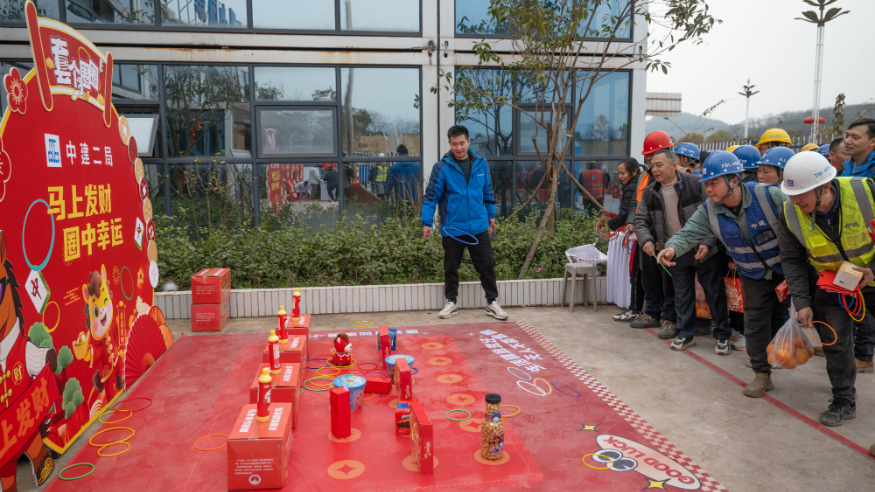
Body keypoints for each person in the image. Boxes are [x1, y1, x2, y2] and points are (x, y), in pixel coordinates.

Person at [658, 151, 791, 394]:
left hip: (787, 271)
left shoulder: (768, 196)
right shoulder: (709, 209)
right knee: (754, 324)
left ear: (734, 180)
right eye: (706, 184)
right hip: (753, 275)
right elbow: (689, 232)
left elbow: (800, 225)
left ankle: (840, 388)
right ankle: (762, 374)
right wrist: (671, 248)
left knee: (787, 316)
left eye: (714, 183)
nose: (708, 190)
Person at [776, 151, 875, 425]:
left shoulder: (865, 192)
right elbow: (792, 259)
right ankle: (844, 400)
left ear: (825, 187)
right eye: (792, 195)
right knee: (835, 344)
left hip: (872, 279)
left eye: (802, 195)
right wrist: (802, 302)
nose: (796, 201)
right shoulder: (789, 212)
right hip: (833, 285)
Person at [633, 148, 728, 349]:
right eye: (652, 165)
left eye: (659, 165)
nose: (654, 169)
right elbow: (639, 220)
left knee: (713, 293)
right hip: (675, 250)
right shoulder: (650, 192)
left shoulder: (696, 184)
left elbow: (714, 213)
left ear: (673, 165)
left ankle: (722, 336)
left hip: (703, 248)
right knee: (682, 294)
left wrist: (707, 241)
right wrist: (646, 240)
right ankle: (686, 334)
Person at [422, 125, 507, 321]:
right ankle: (451, 302)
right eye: (454, 144)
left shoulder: (481, 164)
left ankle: (492, 302)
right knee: (451, 267)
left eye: (462, 143)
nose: (458, 148)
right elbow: (431, 196)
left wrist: (491, 215)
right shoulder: (441, 168)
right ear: (449, 143)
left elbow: (487, 191)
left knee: (487, 266)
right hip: (453, 228)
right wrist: (427, 222)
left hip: (479, 226)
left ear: (468, 141)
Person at [629, 131, 675, 330]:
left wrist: (661, 237)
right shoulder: (645, 176)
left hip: (667, 239)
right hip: (646, 236)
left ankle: (669, 317)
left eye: (654, 154)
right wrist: (642, 233)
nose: (650, 159)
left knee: (669, 280)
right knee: (649, 277)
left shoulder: (680, 175)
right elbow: (637, 205)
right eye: (648, 155)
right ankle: (652, 313)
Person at [609, 158, 645, 322]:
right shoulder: (639, 182)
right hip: (643, 232)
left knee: (636, 273)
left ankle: (635, 309)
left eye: (623, 173)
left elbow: (626, 212)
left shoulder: (633, 186)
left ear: (634, 172)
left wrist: (610, 225)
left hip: (641, 235)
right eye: (619, 173)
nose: (620, 176)